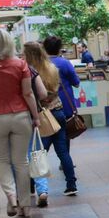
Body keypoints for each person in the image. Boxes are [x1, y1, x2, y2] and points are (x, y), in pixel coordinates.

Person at [0, 29, 39, 217]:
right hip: (20, 116)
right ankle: (26, 206)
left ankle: (11, 198)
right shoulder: (21, 64)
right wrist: (36, 116)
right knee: (21, 161)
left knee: (1, 160)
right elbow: (28, 94)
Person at [22, 41, 63, 208]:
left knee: (19, 157)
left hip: (18, 115)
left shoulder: (24, 70)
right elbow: (45, 92)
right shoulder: (51, 68)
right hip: (46, 112)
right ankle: (43, 190)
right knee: (37, 153)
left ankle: (21, 194)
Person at [42, 36, 79, 196]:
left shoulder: (39, 65)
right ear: (59, 48)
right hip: (62, 107)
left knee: (40, 149)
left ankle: (36, 183)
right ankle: (70, 181)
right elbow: (76, 82)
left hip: (44, 111)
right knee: (63, 145)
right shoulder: (64, 63)